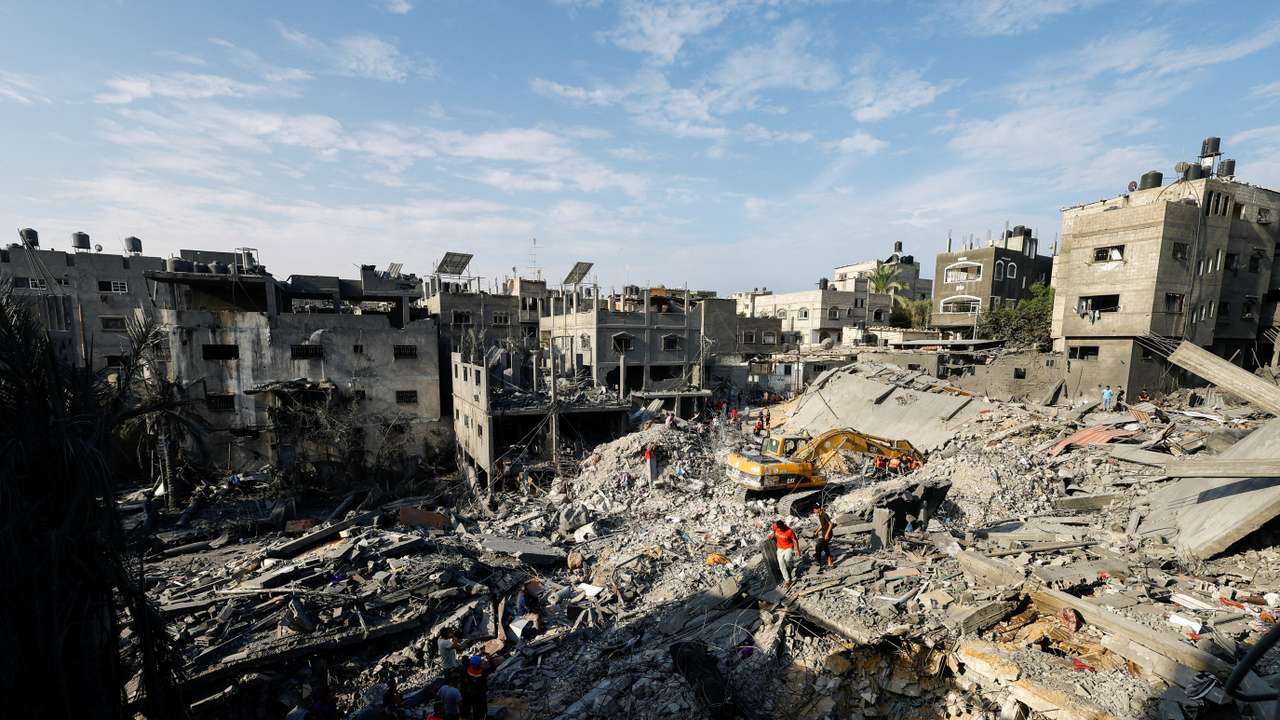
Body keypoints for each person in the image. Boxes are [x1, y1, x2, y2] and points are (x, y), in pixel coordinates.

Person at [770, 519, 800, 587]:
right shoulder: (776, 527)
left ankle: (790, 567)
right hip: (780, 548)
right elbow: (773, 531)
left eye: (782, 528)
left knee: (787, 559)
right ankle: (787, 580)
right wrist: (772, 535)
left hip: (788, 547)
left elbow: (795, 540)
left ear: (784, 525)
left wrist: (797, 550)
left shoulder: (789, 531)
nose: (781, 529)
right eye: (779, 528)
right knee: (781, 564)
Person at [460, 655, 489, 720]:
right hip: (480, 694)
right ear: (478, 665)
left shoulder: (468, 671)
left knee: (476, 709)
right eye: (481, 661)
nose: (482, 662)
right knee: (482, 710)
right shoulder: (483, 673)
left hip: (473, 694)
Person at [812, 504, 835, 570]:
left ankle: (818, 561)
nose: (814, 511)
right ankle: (830, 564)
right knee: (825, 548)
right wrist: (816, 531)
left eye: (815, 509)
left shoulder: (824, 514)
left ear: (818, 509)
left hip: (828, 535)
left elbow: (830, 524)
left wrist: (827, 534)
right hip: (824, 534)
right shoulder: (819, 515)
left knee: (818, 546)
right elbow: (822, 525)